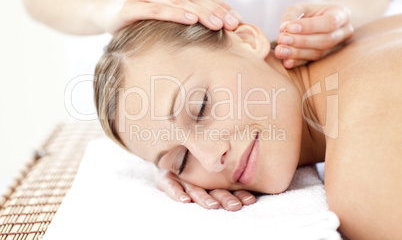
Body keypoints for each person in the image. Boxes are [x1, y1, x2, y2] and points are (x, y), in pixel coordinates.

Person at [93, 14, 402, 239]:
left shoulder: (361, 179)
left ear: (246, 41)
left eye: (200, 108)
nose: (211, 158)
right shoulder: (373, 33)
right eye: (182, 160)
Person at [23, 0, 400, 67]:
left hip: (327, 63)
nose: (213, 157)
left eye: (202, 109)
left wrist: (334, 16)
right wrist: (106, 8)